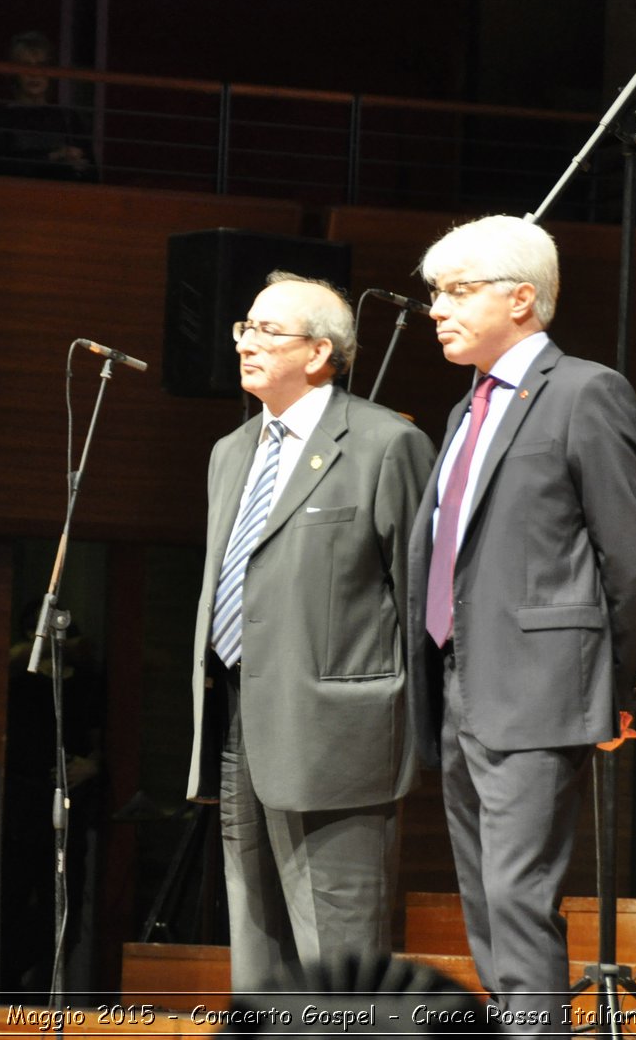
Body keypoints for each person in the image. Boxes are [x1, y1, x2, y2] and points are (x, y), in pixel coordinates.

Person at [406, 215, 636, 1033]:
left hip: (539, 688)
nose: (436, 308)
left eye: (455, 291)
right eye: (433, 293)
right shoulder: (463, 411)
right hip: (459, 684)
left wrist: (617, 687)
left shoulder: (585, 390)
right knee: (486, 897)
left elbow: (632, 554)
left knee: (519, 896)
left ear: (522, 299)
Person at [185, 271, 434, 989]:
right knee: (258, 959)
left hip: (338, 744)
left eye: (268, 331)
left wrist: (427, 736)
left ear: (320, 354)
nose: (247, 344)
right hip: (238, 724)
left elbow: (422, 603)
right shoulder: (230, 451)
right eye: (245, 329)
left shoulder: (387, 444)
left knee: (339, 966)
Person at [0, 30, 95, 181]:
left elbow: (93, 174)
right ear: (15, 72)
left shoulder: (68, 118)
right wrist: (54, 156)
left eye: (41, 66)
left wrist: (80, 166)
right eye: (26, 66)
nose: (34, 74)